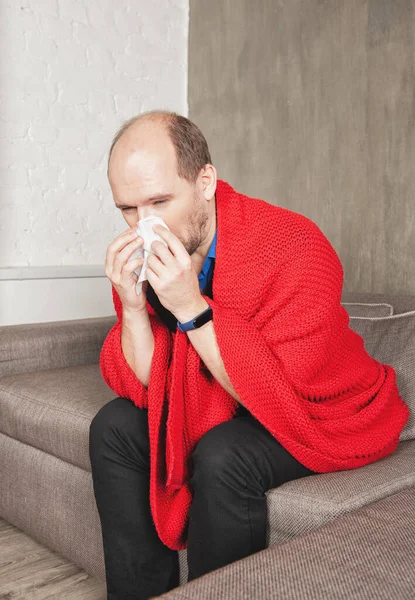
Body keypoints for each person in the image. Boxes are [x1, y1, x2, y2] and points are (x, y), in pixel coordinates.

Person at [89, 110, 409, 600]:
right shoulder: (147, 257)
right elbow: (146, 382)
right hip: (222, 396)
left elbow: (277, 397)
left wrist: (190, 307)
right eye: (128, 209)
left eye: (159, 201)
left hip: (319, 411)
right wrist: (133, 308)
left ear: (205, 181)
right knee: (113, 426)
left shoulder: (294, 244)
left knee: (223, 454)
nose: (145, 225)